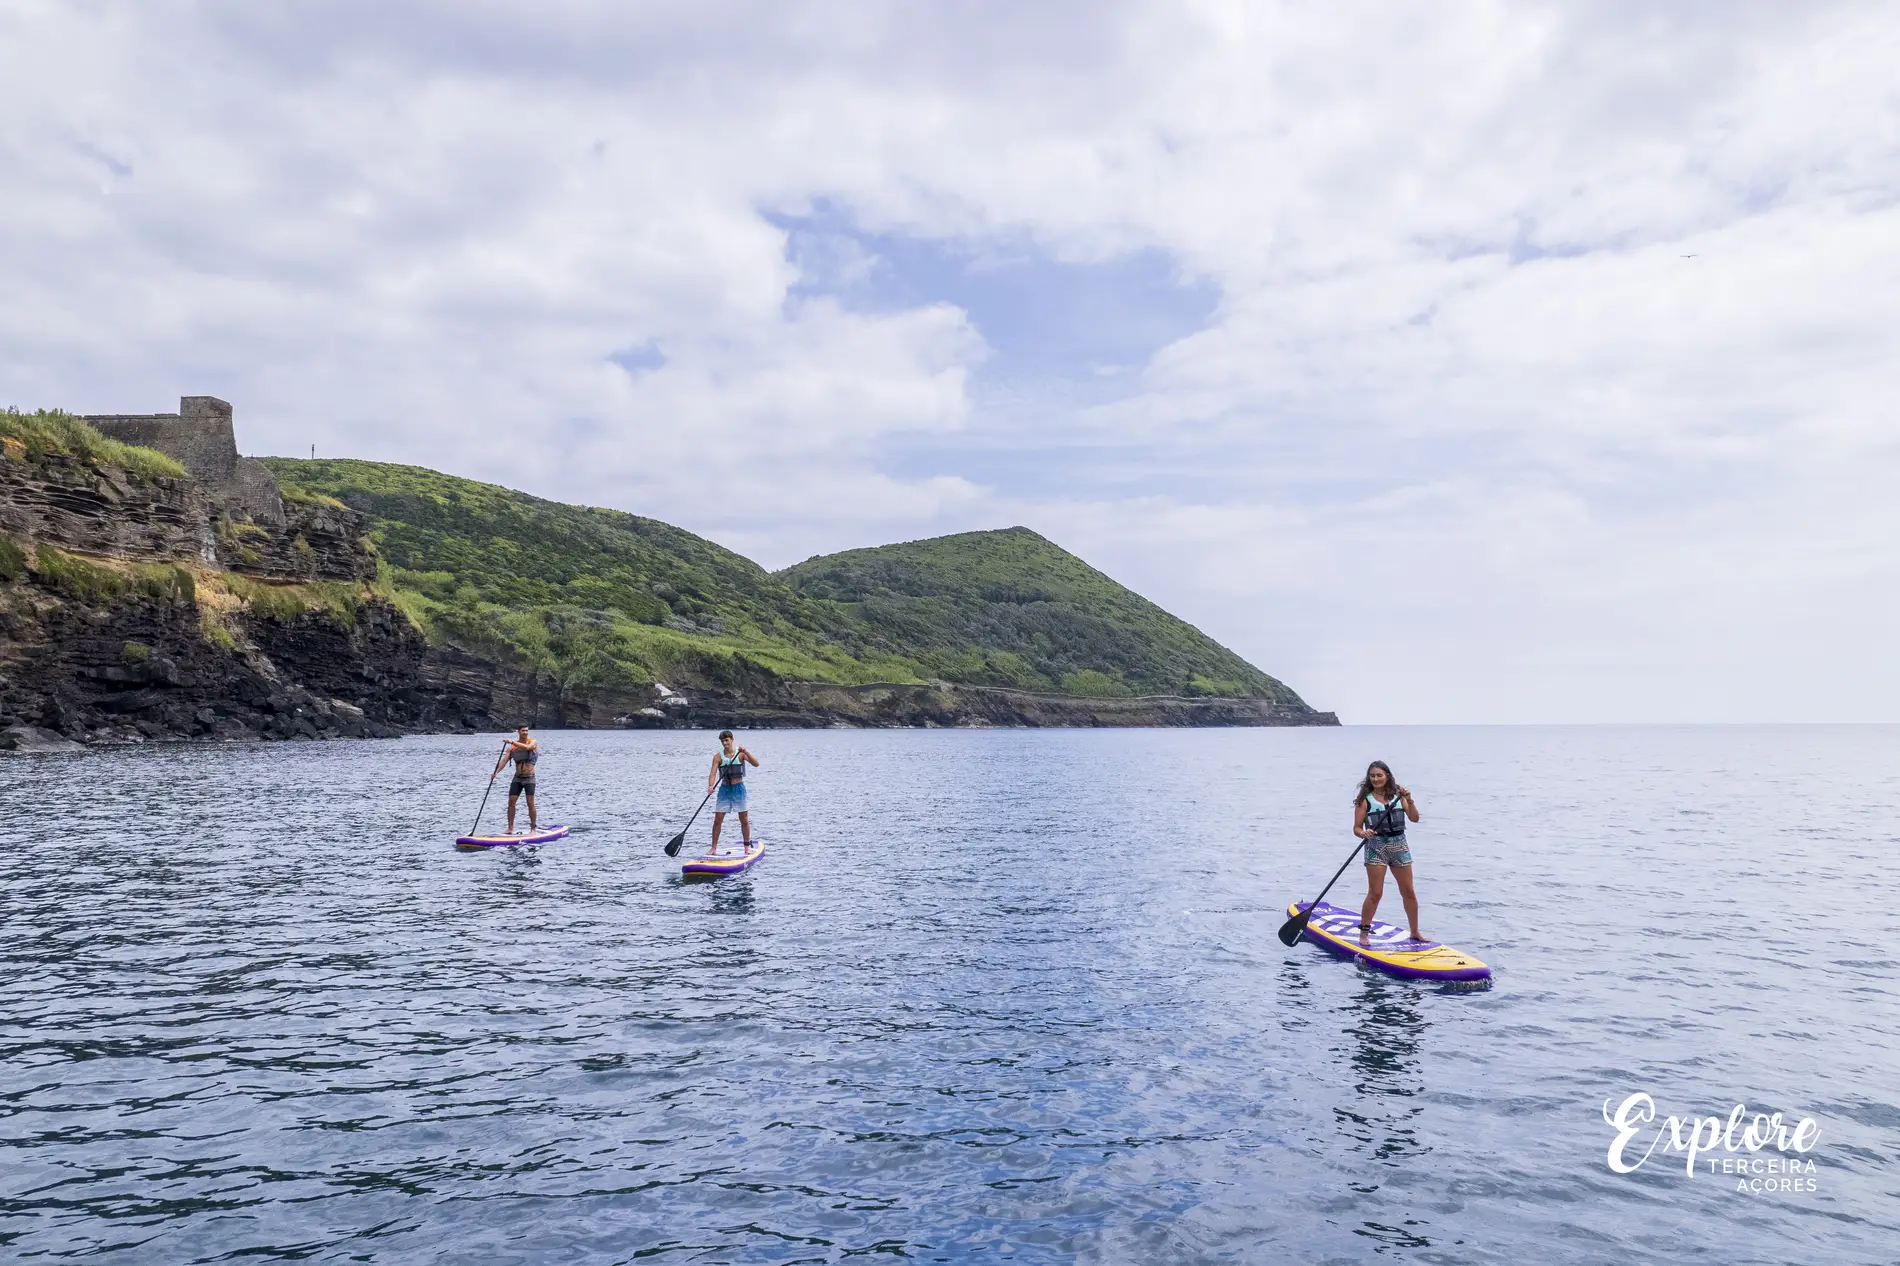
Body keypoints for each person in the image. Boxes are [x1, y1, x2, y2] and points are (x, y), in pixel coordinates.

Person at [1354, 760, 1422, 946]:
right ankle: (1364, 934)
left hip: (1399, 845)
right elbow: (1357, 828)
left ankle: (1415, 932)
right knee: (1375, 893)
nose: (1376, 779)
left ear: (1388, 777)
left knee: (1408, 891)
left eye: (1379, 775)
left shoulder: (1399, 797)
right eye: (1372, 776)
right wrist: (1364, 833)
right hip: (1376, 846)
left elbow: (1415, 818)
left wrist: (1409, 799)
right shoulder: (1364, 800)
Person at [705, 729, 760, 854]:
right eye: (722, 741)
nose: (725, 743)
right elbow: (712, 773)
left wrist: (746, 751)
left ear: (732, 740)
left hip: (738, 789)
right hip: (724, 790)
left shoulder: (740, 754)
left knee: (744, 819)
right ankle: (714, 847)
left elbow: (756, 764)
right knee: (717, 820)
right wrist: (710, 786)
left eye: (727, 740)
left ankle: (746, 846)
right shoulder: (718, 757)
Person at [492, 726, 540, 834]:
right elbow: (503, 761)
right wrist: (495, 773)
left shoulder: (532, 742)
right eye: (523, 730)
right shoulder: (512, 748)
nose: (525, 732)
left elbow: (528, 748)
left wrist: (512, 741)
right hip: (517, 778)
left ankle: (533, 829)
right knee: (511, 802)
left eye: (527, 730)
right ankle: (510, 828)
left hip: (529, 778)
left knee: (530, 803)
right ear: (518, 732)